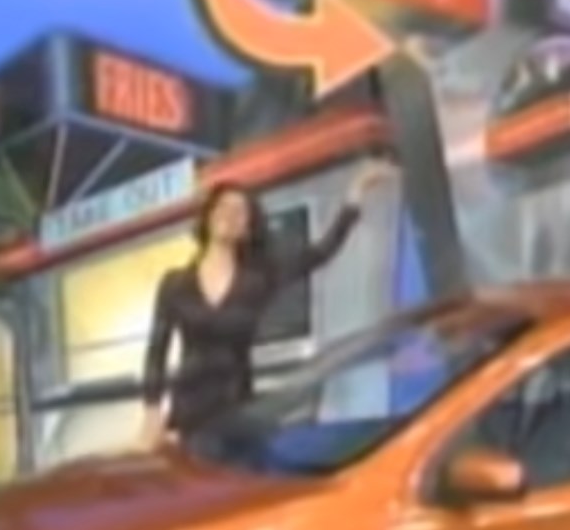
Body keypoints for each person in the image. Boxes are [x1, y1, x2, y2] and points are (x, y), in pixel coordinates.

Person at [137, 160, 394, 449]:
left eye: (240, 211)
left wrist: (355, 195)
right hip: (189, 414)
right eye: (223, 207)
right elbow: (156, 350)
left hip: (237, 411)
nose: (230, 215)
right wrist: (151, 413)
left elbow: (321, 253)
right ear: (207, 218)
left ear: (248, 228)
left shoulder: (259, 279)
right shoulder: (175, 284)